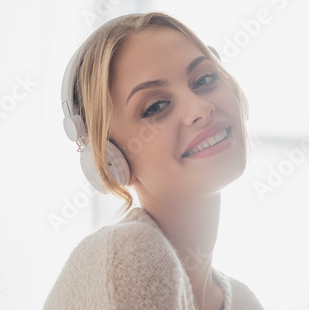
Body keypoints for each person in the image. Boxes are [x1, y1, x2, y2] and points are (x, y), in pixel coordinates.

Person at [45, 12, 265, 310]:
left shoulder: (242, 301)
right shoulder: (127, 255)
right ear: (112, 159)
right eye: (156, 107)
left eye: (205, 79)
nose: (199, 108)